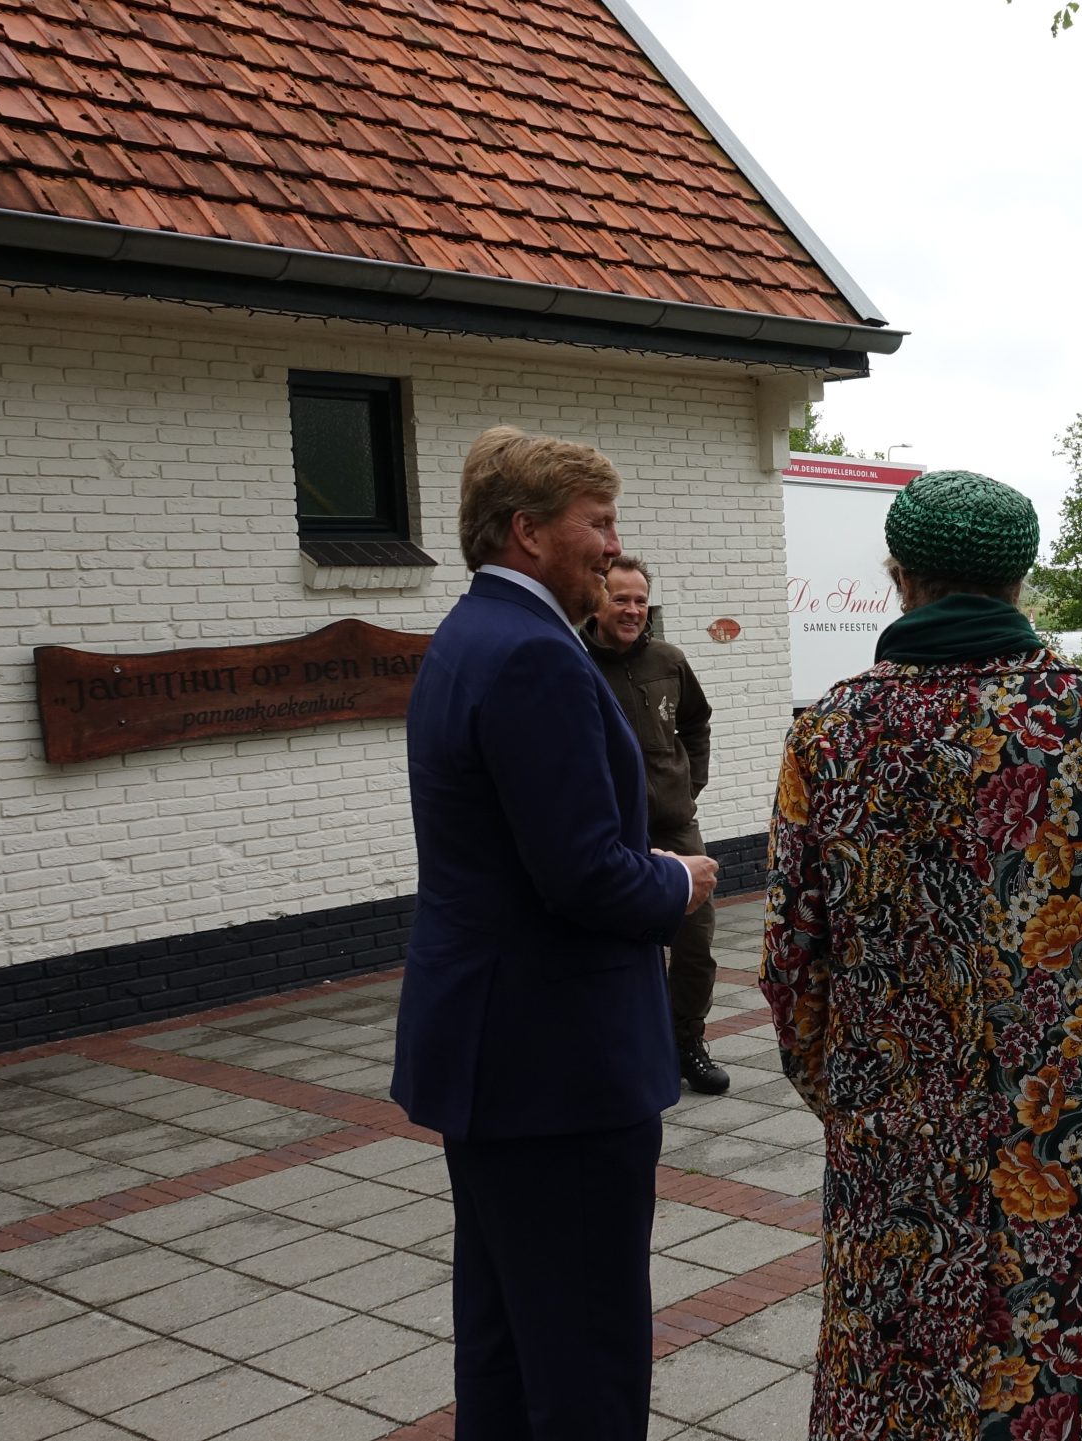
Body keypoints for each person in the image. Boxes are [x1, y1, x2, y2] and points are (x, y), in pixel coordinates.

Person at [762, 470, 1082, 1441]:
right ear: (1021, 576)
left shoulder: (832, 736)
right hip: (1080, 1156)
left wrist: (858, 1102)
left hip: (901, 1154)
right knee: (1078, 1388)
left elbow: (792, 969)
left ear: (900, 576)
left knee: (906, 1394)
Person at [393, 426, 719, 1440]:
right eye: (599, 524)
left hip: (493, 1051)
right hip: (559, 1066)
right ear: (529, 532)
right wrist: (676, 881)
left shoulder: (471, 633)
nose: (615, 548)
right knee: (585, 1344)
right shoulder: (537, 656)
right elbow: (582, 874)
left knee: (504, 1332)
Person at [585, 556, 729, 1095]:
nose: (632, 609)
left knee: (695, 942)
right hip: (616, 834)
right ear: (599, 601)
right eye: (621, 598)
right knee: (622, 944)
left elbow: (696, 722)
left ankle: (685, 1042)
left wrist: (687, 784)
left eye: (640, 600)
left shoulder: (668, 659)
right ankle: (624, 1051)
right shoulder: (576, 661)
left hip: (675, 825)